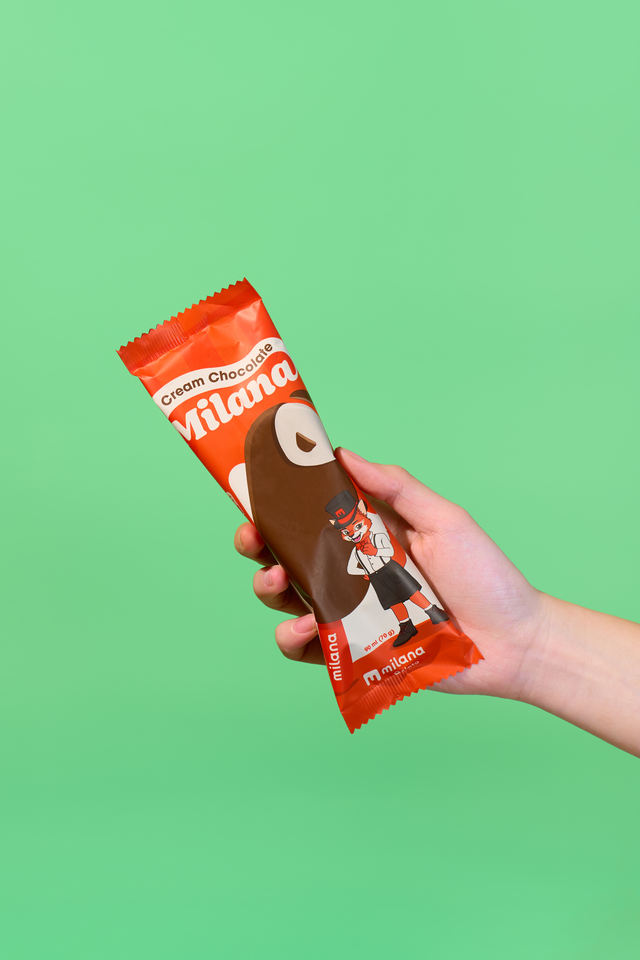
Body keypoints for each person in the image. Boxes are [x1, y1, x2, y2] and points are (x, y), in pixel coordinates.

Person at [234, 448, 640, 757]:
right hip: (377, 578)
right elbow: (356, 565)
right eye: (345, 528)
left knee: (411, 592)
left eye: (352, 523)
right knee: (393, 605)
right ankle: (407, 625)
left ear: (358, 517)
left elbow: (382, 551)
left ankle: (430, 612)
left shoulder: (374, 534)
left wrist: (529, 638)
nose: (351, 530)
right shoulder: (355, 546)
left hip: (391, 568)